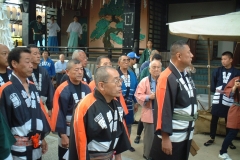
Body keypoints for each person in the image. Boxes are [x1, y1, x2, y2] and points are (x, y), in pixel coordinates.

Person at [68, 66, 131, 160]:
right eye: (116, 81)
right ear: (101, 85)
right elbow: (78, 142)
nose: (120, 84)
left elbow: (120, 132)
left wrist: (118, 156)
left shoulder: (116, 103)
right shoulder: (85, 106)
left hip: (110, 155)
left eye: (120, 80)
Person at [0, 47, 51, 159]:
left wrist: (42, 138)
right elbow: (3, 125)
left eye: (31, 62)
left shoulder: (32, 86)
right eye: (27, 62)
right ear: (14, 63)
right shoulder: (5, 90)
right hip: (17, 149)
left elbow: (38, 113)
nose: (31, 65)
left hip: (36, 145)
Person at [150, 40, 197, 160]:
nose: (192, 55)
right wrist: (165, 138)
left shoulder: (185, 74)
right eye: (189, 52)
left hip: (185, 133)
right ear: (179, 56)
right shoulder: (166, 76)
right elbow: (162, 110)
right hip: (173, 137)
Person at [51, 59, 91, 160]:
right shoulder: (62, 89)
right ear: (67, 72)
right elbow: (58, 113)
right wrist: (63, 135)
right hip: (67, 129)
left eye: (81, 69)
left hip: (84, 129)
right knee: (66, 156)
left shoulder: (87, 87)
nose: (79, 72)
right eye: (76, 70)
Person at [204, 51, 240, 148]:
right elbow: (213, 84)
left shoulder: (237, 72)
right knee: (214, 118)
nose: (223, 61)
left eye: (225, 59)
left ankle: (229, 141)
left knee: (229, 119)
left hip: (230, 98)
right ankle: (212, 137)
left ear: (231, 60)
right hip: (218, 97)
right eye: (222, 59)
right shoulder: (217, 71)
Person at [134, 60, 162, 160]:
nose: (156, 69)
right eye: (153, 67)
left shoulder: (165, 80)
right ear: (149, 69)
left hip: (162, 114)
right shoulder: (145, 81)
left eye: (158, 67)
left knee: (161, 137)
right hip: (149, 112)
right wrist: (149, 97)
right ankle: (148, 156)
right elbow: (138, 95)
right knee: (149, 138)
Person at [117, 55, 138, 152]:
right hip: (118, 103)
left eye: (127, 60)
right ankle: (117, 144)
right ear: (119, 63)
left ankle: (128, 143)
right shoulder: (116, 74)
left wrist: (136, 102)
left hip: (129, 103)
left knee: (129, 124)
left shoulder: (132, 74)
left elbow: (136, 89)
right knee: (118, 124)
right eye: (124, 60)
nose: (126, 62)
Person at [27, 44, 55, 117]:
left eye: (39, 53)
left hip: (43, 105)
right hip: (29, 107)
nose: (38, 56)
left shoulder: (44, 71)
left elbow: (50, 89)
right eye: (35, 54)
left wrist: (50, 107)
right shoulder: (25, 71)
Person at [218, 77, 240, 160]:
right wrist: (235, 87)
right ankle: (222, 152)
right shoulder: (236, 79)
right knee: (232, 132)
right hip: (236, 109)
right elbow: (229, 94)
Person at [0, 44, 16, 160]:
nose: (7, 56)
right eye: (4, 54)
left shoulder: (14, 74)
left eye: (9, 54)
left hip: (15, 120)